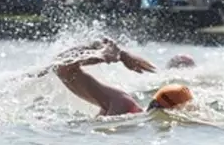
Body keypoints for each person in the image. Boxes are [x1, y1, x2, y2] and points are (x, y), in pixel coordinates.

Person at [42, 38, 192, 116]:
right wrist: (114, 55)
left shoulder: (127, 109)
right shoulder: (123, 105)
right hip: (67, 67)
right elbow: (62, 66)